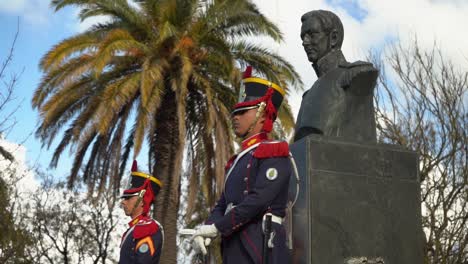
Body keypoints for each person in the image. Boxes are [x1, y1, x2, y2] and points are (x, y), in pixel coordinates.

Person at [190, 67, 293, 264]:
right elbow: (223, 203)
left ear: (263, 114)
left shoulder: (274, 151)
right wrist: (206, 229)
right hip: (234, 243)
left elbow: (259, 200)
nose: (235, 117)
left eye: (243, 112)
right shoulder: (239, 159)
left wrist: (218, 227)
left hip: (260, 244)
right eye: (235, 112)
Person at [294, 10, 379, 143]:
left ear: (333, 38)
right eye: (303, 37)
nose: (305, 42)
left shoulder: (357, 73)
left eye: (312, 34)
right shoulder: (307, 97)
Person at [119, 160, 164, 264]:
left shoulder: (147, 227)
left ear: (142, 201)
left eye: (128, 198)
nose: (123, 202)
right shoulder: (134, 229)